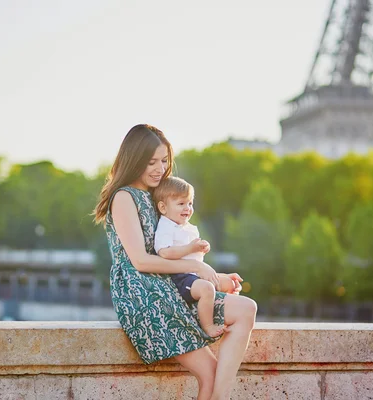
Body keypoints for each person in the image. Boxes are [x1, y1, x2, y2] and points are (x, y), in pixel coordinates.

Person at [93, 124, 257, 400]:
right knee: (209, 374)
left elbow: (175, 250)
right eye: (151, 162)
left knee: (246, 309)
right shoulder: (123, 197)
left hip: (171, 286)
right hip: (145, 296)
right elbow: (142, 261)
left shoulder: (158, 195)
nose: (160, 168)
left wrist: (213, 277)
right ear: (133, 160)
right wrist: (198, 268)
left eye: (165, 160)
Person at [153, 176, 236, 338]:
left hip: (194, 275)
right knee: (207, 289)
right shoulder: (166, 226)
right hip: (179, 278)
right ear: (163, 208)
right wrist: (191, 247)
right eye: (181, 204)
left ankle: (227, 314)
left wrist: (201, 249)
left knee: (229, 283)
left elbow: (194, 256)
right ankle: (208, 326)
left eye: (190, 203)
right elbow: (165, 252)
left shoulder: (188, 227)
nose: (188, 208)